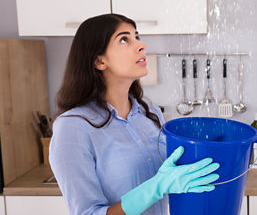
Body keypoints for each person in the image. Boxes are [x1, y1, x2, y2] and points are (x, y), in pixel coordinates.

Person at [49, 13, 220, 215]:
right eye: (124, 39)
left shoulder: (150, 113)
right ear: (99, 61)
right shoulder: (72, 127)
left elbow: (170, 181)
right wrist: (155, 187)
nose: (141, 45)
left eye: (137, 37)